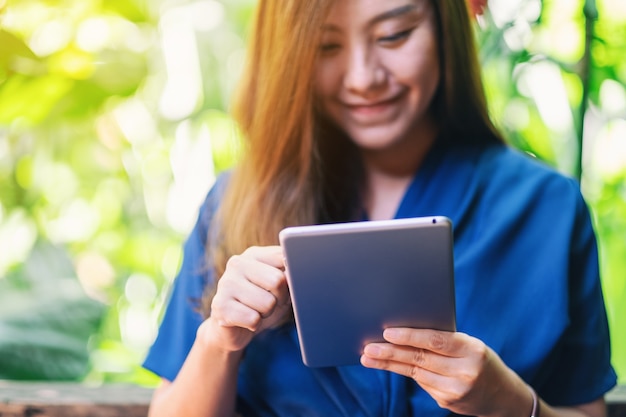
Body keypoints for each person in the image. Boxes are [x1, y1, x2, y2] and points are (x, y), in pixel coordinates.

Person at [143, 0, 617, 416]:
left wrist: (509, 404)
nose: (364, 78)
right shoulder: (234, 203)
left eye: (394, 35)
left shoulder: (545, 209)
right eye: (327, 47)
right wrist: (220, 339)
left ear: (445, 28)